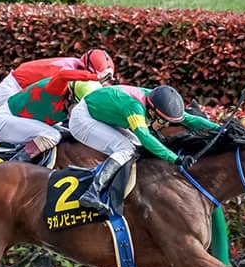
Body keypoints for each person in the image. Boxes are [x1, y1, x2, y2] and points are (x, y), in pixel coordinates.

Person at [68, 84, 221, 215]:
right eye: (162, 121)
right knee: (125, 148)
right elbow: (145, 137)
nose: (165, 125)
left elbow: (190, 119)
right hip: (83, 118)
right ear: (152, 111)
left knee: (134, 146)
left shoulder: (154, 101)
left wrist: (219, 128)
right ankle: (92, 192)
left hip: (101, 114)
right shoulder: (134, 107)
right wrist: (175, 159)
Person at [0, 71, 104, 163]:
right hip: (6, 121)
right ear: (70, 96)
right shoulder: (56, 90)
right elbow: (62, 75)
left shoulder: (73, 96)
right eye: (79, 107)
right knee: (53, 135)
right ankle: (14, 163)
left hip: (24, 120)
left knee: (64, 131)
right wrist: (94, 77)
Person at [0, 49, 115, 108]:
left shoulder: (76, 64)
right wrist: (95, 77)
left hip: (19, 89)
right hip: (12, 91)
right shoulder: (67, 69)